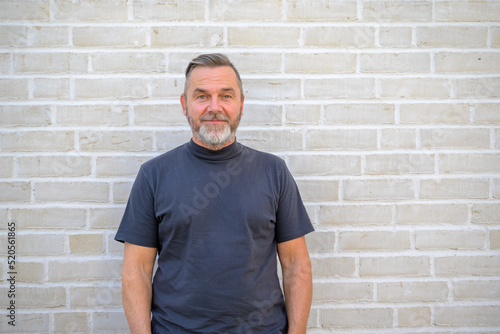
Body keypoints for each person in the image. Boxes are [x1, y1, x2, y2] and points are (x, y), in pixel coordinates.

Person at [115, 53, 314, 334]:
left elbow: (296, 264)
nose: (214, 107)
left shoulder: (274, 171)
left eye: (226, 96)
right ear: (185, 105)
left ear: (241, 104)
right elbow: (136, 270)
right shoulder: (154, 175)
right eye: (201, 96)